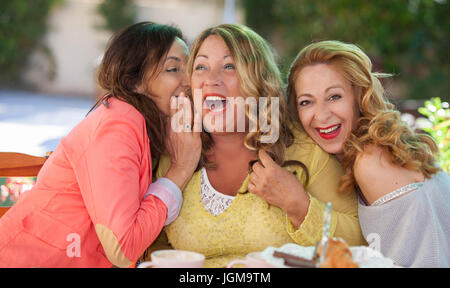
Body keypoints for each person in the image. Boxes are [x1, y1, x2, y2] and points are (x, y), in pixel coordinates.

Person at [146, 24, 366, 268]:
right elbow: (152, 244)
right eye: (201, 67)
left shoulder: (302, 149)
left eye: (229, 66)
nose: (211, 80)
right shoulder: (174, 152)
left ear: (258, 80)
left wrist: (300, 207)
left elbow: (358, 241)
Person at [0, 22, 201, 267]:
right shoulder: (118, 127)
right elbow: (122, 249)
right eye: (173, 69)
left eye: (189, 68)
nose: (189, 81)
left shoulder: (140, 125)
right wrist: (179, 171)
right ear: (133, 82)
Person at [287, 40, 450, 267]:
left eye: (334, 96)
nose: (321, 115)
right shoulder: (384, 143)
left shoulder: (370, 161)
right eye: (306, 102)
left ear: (359, 96)